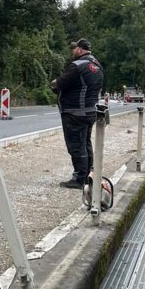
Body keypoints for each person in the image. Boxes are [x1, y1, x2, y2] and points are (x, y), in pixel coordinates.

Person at [51, 39, 104, 188]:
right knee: (85, 143)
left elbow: (59, 84)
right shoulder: (97, 66)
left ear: (80, 49)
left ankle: (79, 179)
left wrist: (54, 84)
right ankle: (89, 175)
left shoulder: (77, 66)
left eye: (74, 49)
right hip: (90, 112)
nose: (72, 51)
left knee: (76, 146)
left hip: (74, 113)